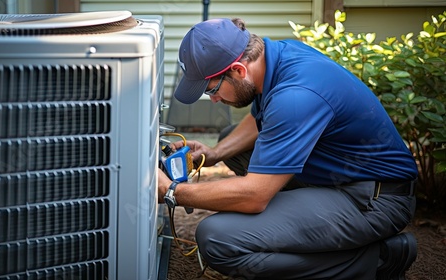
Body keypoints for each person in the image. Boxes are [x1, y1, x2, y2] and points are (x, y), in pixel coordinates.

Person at [158, 17, 418, 279]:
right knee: (231, 141)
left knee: (216, 238)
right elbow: (260, 119)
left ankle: (378, 259)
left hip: (375, 200)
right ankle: (316, 236)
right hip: (342, 177)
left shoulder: (295, 96)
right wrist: (215, 153)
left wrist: (172, 191)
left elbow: (255, 196)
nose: (214, 99)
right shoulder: (276, 56)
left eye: (212, 89)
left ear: (238, 70)